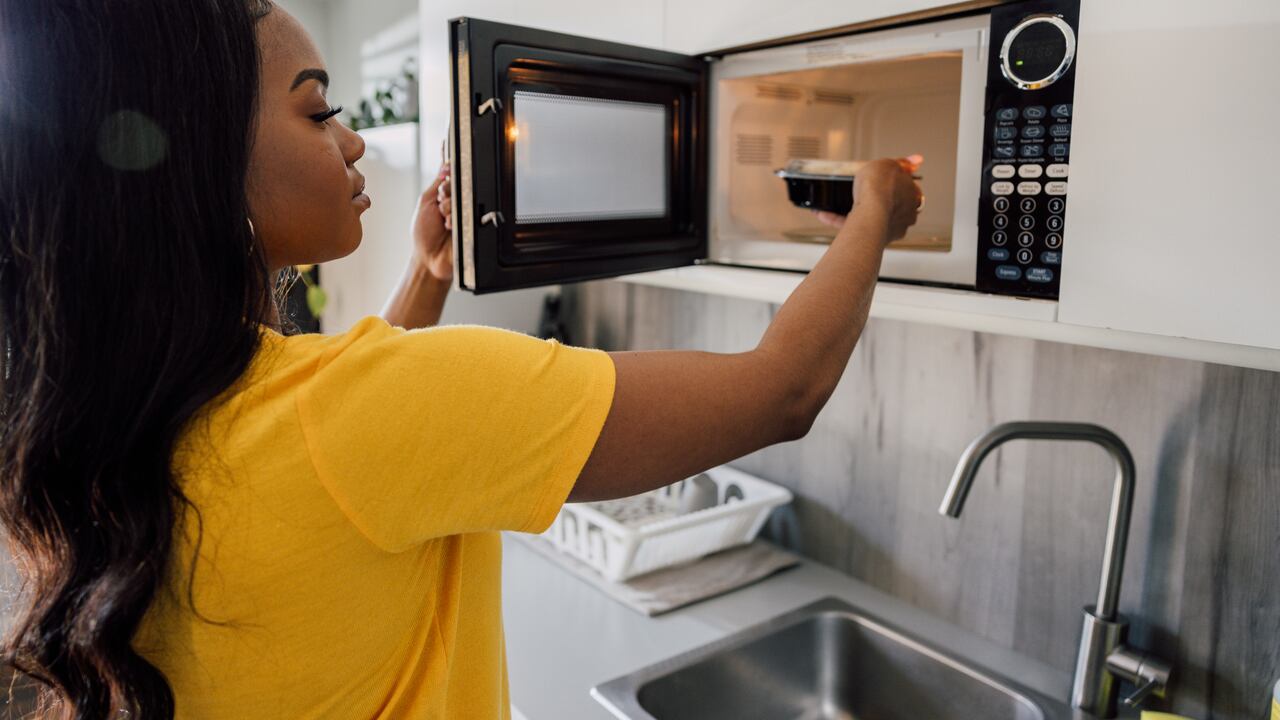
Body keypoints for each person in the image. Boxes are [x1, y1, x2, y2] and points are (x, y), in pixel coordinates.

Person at [0, 1, 922, 718]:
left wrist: (427, 275)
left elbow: (340, 441)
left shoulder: (133, 410)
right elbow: (782, 389)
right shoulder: (377, 402)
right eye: (317, 112)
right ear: (202, 169)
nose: (353, 139)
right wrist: (874, 209)